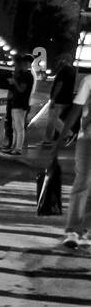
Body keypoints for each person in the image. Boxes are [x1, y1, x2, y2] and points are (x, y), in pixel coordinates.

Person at [62, 74, 91, 249]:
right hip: (87, 139)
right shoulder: (89, 81)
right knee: (83, 181)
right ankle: (73, 230)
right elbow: (76, 110)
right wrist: (59, 142)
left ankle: (84, 228)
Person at [0, 54, 34, 156]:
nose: (21, 65)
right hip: (18, 103)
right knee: (15, 127)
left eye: (23, 63)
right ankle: (14, 147)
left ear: (27, 63)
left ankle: (17, 148)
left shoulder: (26, 75)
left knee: (19, 127)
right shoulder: (24, 75)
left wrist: (14, 82)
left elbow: (21, 89)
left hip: (20, 104)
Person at [44, 55, 77, 147]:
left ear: (64, 60)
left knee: (53, 119)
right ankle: (47, 139)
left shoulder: (64, 70)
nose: (57, 62)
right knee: (52, 119)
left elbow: (59, 84)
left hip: (59, 99)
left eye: (59, 60)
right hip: (66, 98)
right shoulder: (72, 70)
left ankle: (69, 134)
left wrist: (53, 98)